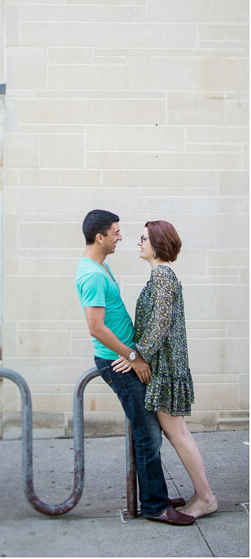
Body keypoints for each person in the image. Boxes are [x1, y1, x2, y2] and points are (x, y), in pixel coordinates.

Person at [74, 209, 194, 526]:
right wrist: (133, 357)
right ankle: (154, 505)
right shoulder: (92, 275)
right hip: (120, 363)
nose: (121, 237)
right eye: (116, 232)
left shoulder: (101, 267)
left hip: (129, 359)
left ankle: (154, 494)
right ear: (100, 237)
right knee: (148, 435)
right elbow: (96, 328)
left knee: (149, 433)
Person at [110, 220, 217, 519]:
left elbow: (159, 325)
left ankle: (206, 497)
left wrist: (135, 355)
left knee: (178, 434)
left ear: (157, 244)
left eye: (143, 238)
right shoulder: (161, 276)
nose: (138, 242)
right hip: (166, 367)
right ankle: (202, 494)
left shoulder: (162, 276)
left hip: (167, 368)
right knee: (177, 433)